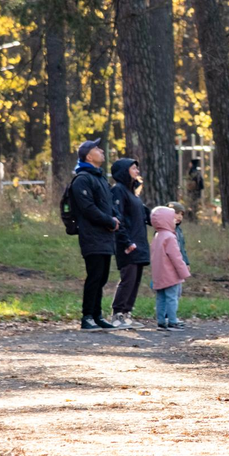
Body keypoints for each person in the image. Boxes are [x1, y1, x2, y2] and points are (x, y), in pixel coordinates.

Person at [69, 139, 126, 331]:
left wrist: (115, 218)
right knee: (94, 276)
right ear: (88, 156)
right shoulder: (82, 179)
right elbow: (87, 208)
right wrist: (109, 221)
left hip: (105, 235)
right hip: (91, 235)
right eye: (96, 149)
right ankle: (87, 317)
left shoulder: (101, 178)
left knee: (101, 277)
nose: (101, 151)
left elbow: (109, 204)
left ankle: (97, 315)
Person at [110, 158, 151, 328]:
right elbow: (118, 218)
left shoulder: (134, 194)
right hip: (128, 244)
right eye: (133, 168)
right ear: (124, 171)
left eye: (137, 168)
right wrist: (126, 241)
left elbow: (145, 216)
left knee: (135, 280)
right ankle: (117, 314)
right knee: (128, 279)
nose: (137, 171)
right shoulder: (118, 191)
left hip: (140, 243)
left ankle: (127, 314)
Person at [150, 206, 191, 331]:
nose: (175, 221)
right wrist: (184, 272)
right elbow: (176, 257)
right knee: (172, 298)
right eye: (173, 219)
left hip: (159, 274)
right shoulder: (170, 237)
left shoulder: (157, 236)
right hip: (171, 275)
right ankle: (173, 321)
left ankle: (161, 321)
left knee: (160, 298)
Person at [167, 201, 190, 268]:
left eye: (182, 214)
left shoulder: (179, 230)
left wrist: (186, 262)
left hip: (179, 264)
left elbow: (182, 248)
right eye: (177, 213)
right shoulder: (164, 230)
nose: (180, 216)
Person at [186, 158, 205, 222]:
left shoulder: (192, 172)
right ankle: (193, 218)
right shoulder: (197, 173)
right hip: (196, 192)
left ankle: (192, 218)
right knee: (194, 205)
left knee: (192, 205)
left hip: (192, 192)